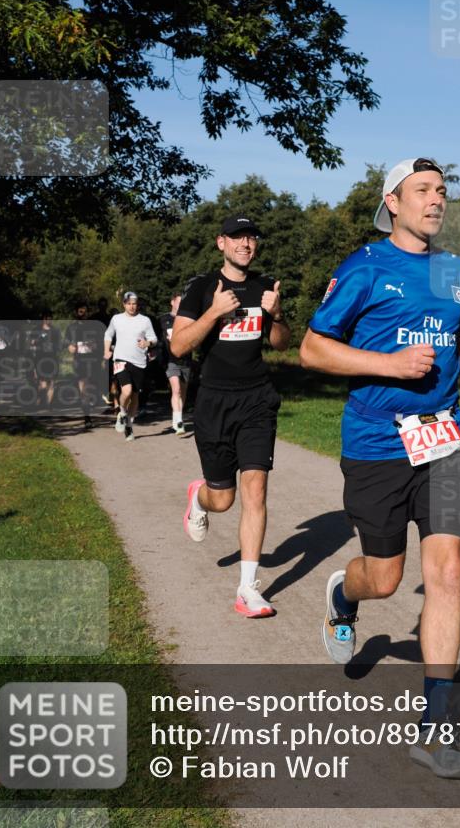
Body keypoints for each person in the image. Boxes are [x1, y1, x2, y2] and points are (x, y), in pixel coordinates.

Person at [299, 158, 460, 779]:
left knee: (447, 575)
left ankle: (436, 730)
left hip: (443, 440)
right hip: (376, 444)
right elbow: (311, 350)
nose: (436, 200)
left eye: (442, 190)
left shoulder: (456, 270)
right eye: (423, 191)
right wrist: (388, 366)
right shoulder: (364, 267)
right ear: (393, 202)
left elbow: (458, 335)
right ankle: (343, 593)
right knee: (385, 579)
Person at [171, 214, 291, 618]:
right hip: (214, 401)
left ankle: (247, 590)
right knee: (223, 499)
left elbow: (280, 342)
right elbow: (177, 348)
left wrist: (276, 315)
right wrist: (213, 313)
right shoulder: (202, 288)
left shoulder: (264, 286)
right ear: (221, 242)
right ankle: (199, 498)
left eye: (251, 237)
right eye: (237, 237)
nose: (246, 244)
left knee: (256, 490)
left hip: (257, 398)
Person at [103, 292, 158, 441]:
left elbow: (154, 338)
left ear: (137, 304)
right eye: (128, 304)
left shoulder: (145, 321)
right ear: (124, 304)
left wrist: (147, 343)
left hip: (139, 361)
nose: (132, 306)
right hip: (120, 359)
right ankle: (121, 412)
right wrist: (106, 350)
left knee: (134, 395)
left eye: (134, 304)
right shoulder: (116, 319)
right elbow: (108, 334)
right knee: (126, 391)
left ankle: (129, 425)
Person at [64, 301, 104, 428]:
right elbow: (66, 342)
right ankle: (87, 417)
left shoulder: (94, 326)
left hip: (94, 362)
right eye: (81, 311)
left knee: (93, 387)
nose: (84, 314)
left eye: (86, 311)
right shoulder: (72, 327)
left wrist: (98, 348)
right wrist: (70, 347)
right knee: (84, 389)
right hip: (80, 362)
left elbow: (101, 342)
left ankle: (94, 402)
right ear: (76, 312)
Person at [159, 292, 193, 434]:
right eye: (179, 302)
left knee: (183, 392)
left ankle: (176, 417)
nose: (181, 305)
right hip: (171, 360)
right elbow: (159, 339)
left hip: (186, 359)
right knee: (176, 389)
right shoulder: (163, 319)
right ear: (172, 302)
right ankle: (179, 421)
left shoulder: (188, 319)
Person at [29, 314, 61, 410]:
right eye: (46, 319)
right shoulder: (36, 330)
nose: (48, 320)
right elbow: (31, 343)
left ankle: (48, 405)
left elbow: (59, 345)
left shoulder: (55, 331)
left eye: (50, 319)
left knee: (52, 382)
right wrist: (35, 341)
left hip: (52, 359)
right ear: (43, 319)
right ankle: (39, 402)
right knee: (42, 383)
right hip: (40, 359)